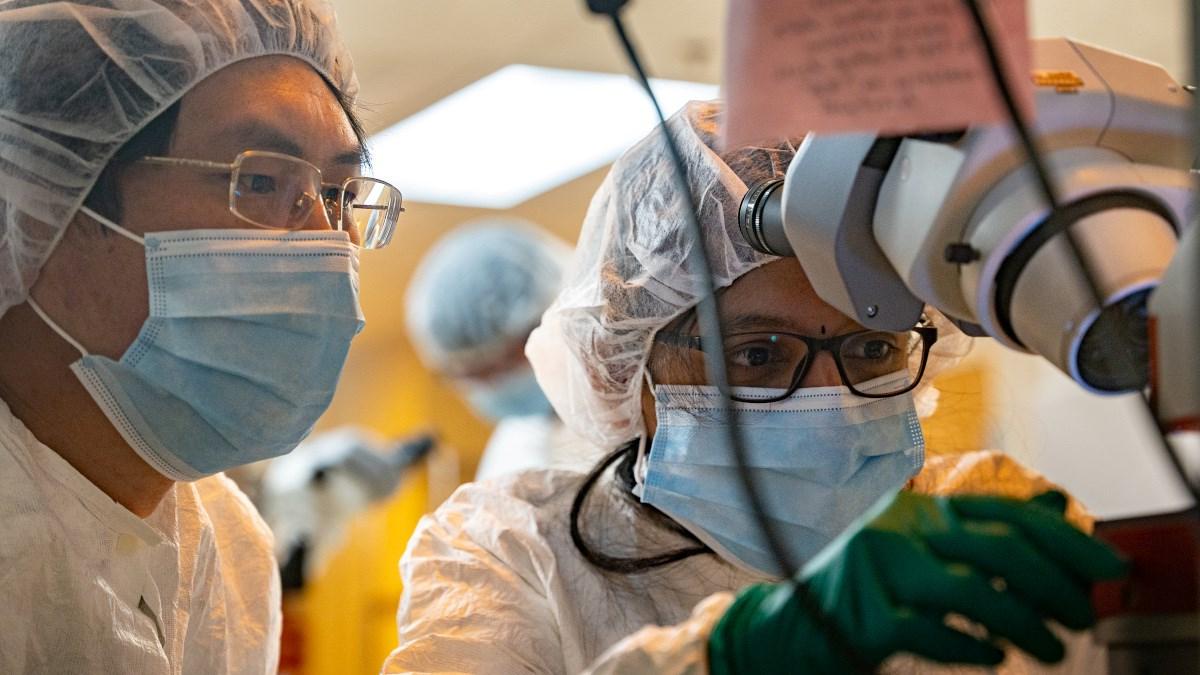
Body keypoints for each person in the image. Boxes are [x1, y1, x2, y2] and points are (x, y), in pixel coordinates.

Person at [382, 101, 1125, 674]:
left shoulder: (988, 518)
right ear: (627, 368)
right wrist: (734, 654)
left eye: (872, 345)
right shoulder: (515, 553)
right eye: (759, 354)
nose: (833, 395)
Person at [0, 1, 403, 671]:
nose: (326, 244)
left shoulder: (231, 551)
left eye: (342, 194)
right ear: (48, 200)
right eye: (262, 181)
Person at [406, 220, 593, 480]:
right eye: (469, 376)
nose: (492, 388)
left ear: (554, 319)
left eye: (498, 365)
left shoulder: (647, 411)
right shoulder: (514, 446)